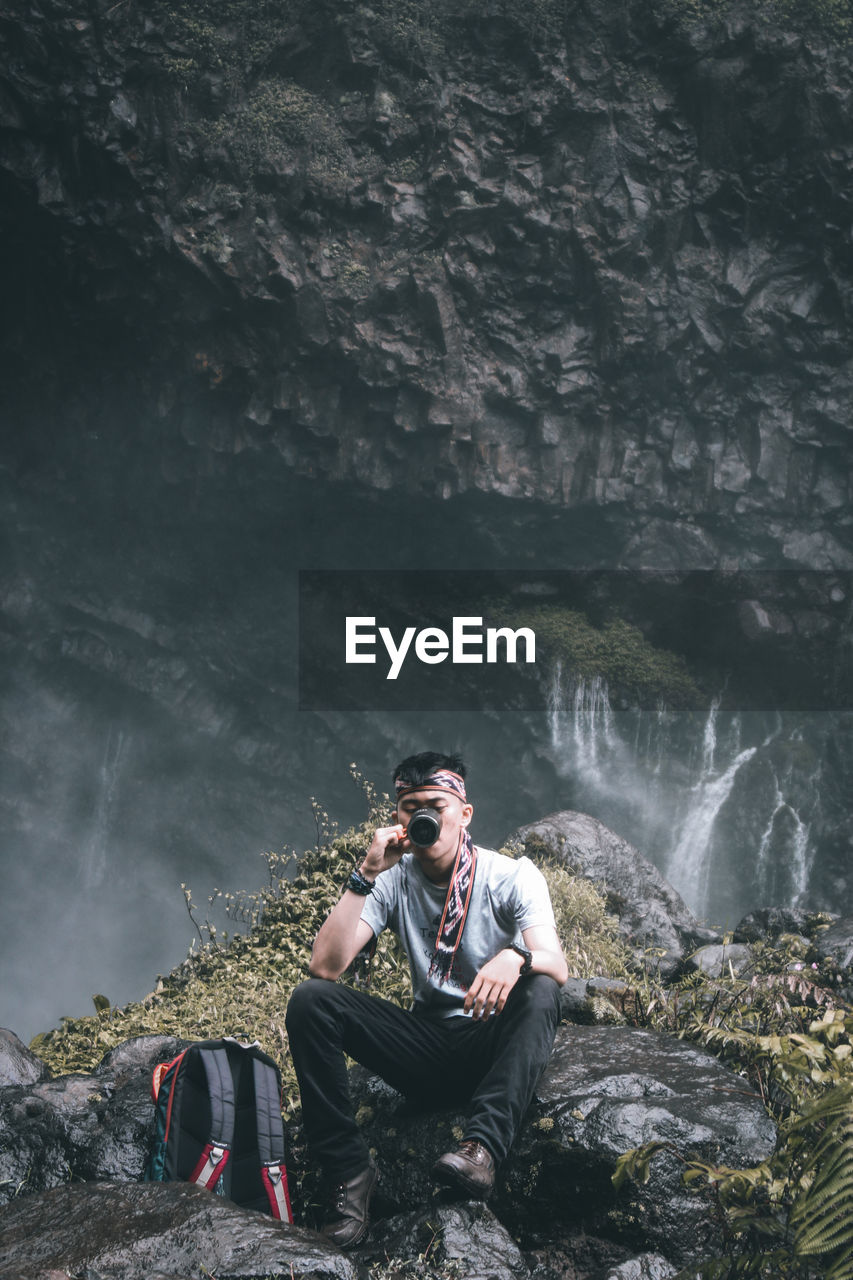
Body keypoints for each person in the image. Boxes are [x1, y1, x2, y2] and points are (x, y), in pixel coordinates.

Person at [285, 751, 568, 1247]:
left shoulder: (510, 875)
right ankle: (350, 1176)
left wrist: (517, 956)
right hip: (425, 1047)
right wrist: (365, 873)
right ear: (398, 818)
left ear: (465, 813)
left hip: (488, 1041)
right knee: (311, 1000)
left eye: (437, 804)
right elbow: (326, 967)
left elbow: (556, 962)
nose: (424, 817)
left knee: (542, 987)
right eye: (410, 806)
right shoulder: (391, 880)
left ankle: (480, 1151)